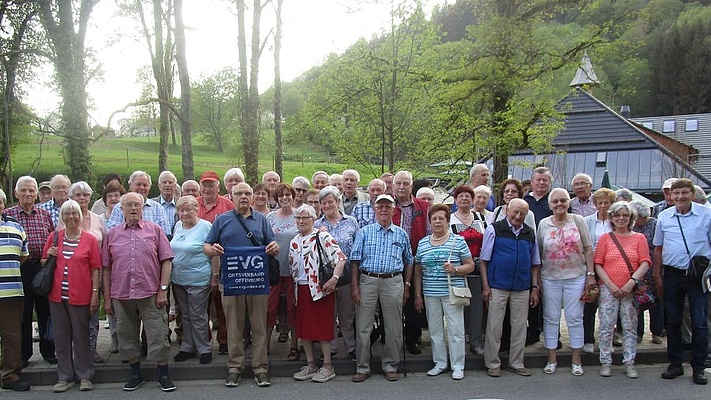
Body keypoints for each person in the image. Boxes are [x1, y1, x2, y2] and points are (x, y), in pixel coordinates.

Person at [204, 182, 279, 387]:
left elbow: (273, 244)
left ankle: (260, 368)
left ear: (253, 196)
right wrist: (212, 251)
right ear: (231, 195)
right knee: (234, 327)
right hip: (231, 281)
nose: (243, 196)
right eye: (239, 193)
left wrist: (274, 247)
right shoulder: (222, 220)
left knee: (259, 326)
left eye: (247, 193)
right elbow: (207, 245)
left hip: (257, 281)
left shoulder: (262, 220)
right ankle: (235, 367)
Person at [102, 192, 176, 392]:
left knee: (158, 334)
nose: (133, 208)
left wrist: (163, 290)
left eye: (137, 205)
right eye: (129, 205)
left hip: (150, 292)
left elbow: (166, 261)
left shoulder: (155, 231)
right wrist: (107, 299)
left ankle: (164, 374)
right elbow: (106, 269)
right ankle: (136, 374)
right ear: (122, 209)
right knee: (127, 335)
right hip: (121, 293)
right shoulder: (112, 234)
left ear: (142, 208)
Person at [653, 178, 711, 385]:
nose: (679, 197)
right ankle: (675, 364)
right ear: (670, 195)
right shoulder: (664, 216)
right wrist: (657, 275)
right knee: (673, 322)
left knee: (700, 323)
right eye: (676, 193)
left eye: (684, 193)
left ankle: (699, 367)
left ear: (692, 194)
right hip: (672, 276)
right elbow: (658, 248)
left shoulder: (707, 214)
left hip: (698, 277)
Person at [350, 194, 414, 382]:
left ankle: (390, 365)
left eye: (388, 206)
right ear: (375, 210)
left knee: (394, 327)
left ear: (394, 210)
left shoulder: (401, 233)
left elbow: (409, 260)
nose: (384, 210)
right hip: (368, 280)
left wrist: (407, 284)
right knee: (363, 327)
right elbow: (355, 261)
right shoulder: (364, 232)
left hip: (393, 281)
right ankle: (362, 367)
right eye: (380, 207)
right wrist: (355, 286)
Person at [43, 200, 101, 392]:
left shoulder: (89, 240)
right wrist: (48, 256)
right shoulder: (54, 237)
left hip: (81, 295)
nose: (71, 217)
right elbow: (44, 263)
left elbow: (95, 268)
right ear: (62, 217)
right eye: (67, 214)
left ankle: (85, 375)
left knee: (81, 336)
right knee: (61, 337)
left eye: (74, 214)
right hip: (57, 296)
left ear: (80, 216)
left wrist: (95, 294)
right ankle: (65, 376)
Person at [480, 198, 541, 378]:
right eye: (515, 212)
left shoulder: (530, 233)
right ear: (507, 210)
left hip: (522, 287)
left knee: (520, 327)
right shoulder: (495, 229)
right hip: (497, 285)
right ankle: (492, 363)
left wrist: (535, 287)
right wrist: (485, 285)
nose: (518, 216)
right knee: (494, 326)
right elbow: (484, 261)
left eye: (522, 213)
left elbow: (535, 263)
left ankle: (517, 362)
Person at [536, 188, 594, 376]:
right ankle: (551, 359)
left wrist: (590, 274)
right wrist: (537, 280)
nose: (559, 204)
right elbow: (537, 252)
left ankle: (576, 360)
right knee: (551, 317)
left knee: (575, 318)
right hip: (550, 277)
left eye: (563, 201)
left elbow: (587, 248)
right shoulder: (544, 224)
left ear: (568, 203)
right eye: (555, 202)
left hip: (576, 276)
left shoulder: (578, 221)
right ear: (550, 205)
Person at [414, 204, 474, 380]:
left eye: (441, 218)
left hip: (451, 293)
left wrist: (455, 269)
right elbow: (418, 271)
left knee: (455, 330)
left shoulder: (458, 241)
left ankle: (458, 366)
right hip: (430, 292)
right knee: (435, 330)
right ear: (430, 222)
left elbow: (470, 265)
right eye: (434, 219)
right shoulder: (423, 243)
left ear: (448, 221)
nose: (438, 222)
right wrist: (418, 294)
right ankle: (440, 363)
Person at [290, 205, 347, 383]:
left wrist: (334, 279)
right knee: (304, 329)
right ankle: (311, 364)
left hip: (320, 289)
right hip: (301, 289)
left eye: (305, 218)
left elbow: (340, 258)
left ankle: (328, 366)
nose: (301, 221)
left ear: (313, 219)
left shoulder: (322, 236)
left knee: (322, 329)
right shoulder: (294, 241)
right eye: (298, 218)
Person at [594, 201, 650, 379]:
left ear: (631, 217)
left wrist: (631, 282)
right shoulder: (605, 238)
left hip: (630, 290)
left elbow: (645, 262)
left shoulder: (639, 238)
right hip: (608, 289)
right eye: (617, 215)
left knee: (630, 327)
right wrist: (610, 284)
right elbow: (598, 264)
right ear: (611, 217)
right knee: (606, 326)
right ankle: (606, 361)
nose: (621, 218)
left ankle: (629, 362)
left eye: (625, 215)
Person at [5, 176, 57, 367]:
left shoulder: (44, 215)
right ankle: (23, 354)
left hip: (42, 267)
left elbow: (52, 238)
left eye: (31, 191)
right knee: (24, 313)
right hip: (20, 268)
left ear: (36, 194)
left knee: (45, 312)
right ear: (16, 193)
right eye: (24, 190)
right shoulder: (9, 216)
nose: (28, 194)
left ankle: (49, 351)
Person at [314, 186, 360, 361]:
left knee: (347, 314)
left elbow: (356, 250)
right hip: (325, 277)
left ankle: (350, 347)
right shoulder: (317, 225)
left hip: (347, 276)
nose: (327, 205)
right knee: (329, 314)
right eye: (323, 203)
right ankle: (331, 348)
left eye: (330, 202)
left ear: (338, 202)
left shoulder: (351, 222)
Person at [64, 182, 106, 364]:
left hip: (96, 272)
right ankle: (75, 350)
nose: (82, 198)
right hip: (73, 274)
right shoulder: (66, 217)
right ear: (71, 197)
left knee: (93, 312)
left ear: (90, 197)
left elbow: (104, 244)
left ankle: (92, 348)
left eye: (85, 195)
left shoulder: (98, 218)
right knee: (73, 314)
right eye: (78, 195)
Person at [170, 196, 213, 365]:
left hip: (198, 278)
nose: (185, 213)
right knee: (185, 315)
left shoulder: (205, 227)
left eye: (189, 210)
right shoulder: (178, 226)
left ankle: (204, 348)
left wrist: (215, 276)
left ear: (197, 210)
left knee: (198, 315)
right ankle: (188, 346)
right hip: (178, 279)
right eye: (181, 210)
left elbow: (213, 251)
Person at [196, 170, 233, 355]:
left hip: (223, 261)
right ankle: (203, 341)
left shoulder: (227, 205)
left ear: (218, 187)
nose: (208, 188)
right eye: (205, 184)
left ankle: (224, 340)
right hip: (198, 263)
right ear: (200, 186)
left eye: (211, 184)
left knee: (222, 304)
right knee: (201, 306)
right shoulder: (193, 204)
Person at [393, 170, 430, 355]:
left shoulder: (422, 206)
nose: (401, 187)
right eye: (398, 183)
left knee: (414, 302)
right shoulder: (388, 205)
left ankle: (412, 339)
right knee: (392, 303)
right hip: (392, 262)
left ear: (411, 185)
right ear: (393, 185)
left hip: (416, 260)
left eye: (405, 183)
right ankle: (390, 338)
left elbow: (429, 232)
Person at [0, 188, 31, 392]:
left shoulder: (16, 226)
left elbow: (23, 256)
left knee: (12, 337)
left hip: (12, 292)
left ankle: (9, 375)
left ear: (3, 204)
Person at [450, 185, 486, 355]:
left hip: (478, 269)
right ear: (455, 200)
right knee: (459, 305)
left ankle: (476, 340)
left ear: (472, 199)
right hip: (458, 268)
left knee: (476, 307)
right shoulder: (450, 220)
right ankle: (460, 340)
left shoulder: (481, 218)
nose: (464, 198)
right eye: (460, 196)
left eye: (467, 196)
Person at [266, 183, 299, 360]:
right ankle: (265, 346)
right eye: (281, 196)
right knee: (269, 308)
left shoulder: (300, 215)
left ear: (293, 196)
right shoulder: (270, 217)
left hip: (294, 271)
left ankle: (294, 346)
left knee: (293, 308)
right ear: (276, 199)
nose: (285, 198)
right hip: (274, 271)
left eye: (288, 195)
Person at [582, 187, 616, 354]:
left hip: (612, 267)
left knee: (608, 305)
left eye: (607, 202)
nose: (603, 206)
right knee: (590, 304)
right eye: (600, 202)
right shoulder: (586, 221)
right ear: (594, 204)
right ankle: (588, 338)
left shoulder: (616, 222)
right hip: (590, 266)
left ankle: (608, 338)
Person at [523, 166, 554, 345]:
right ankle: (532, 331)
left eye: (545, 180)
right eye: (538, 180)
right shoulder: (524, 201)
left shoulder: (554, 200)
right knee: (531, 293)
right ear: (532, 181)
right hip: (528, 254)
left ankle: (550, 333)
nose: (541, 183)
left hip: (549, 256)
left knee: (546, 297)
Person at [630, 201, 663, 345]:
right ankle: (638, 333)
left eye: (635, 218)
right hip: (636, 269)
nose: (634, 221)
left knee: (656, 301)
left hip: (654, 267)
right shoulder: (632, 227)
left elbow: (660, 246)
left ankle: (657, 332)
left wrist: (657, 271)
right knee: (638, 300)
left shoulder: (655, 224)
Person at [106, 171, 171, 236]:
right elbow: (112, 233)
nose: (142, 188)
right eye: (138, 184)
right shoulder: (119, 207)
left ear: (149, 187)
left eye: (145, 185)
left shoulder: (158, 208)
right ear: (131, 186)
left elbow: (165, 233)